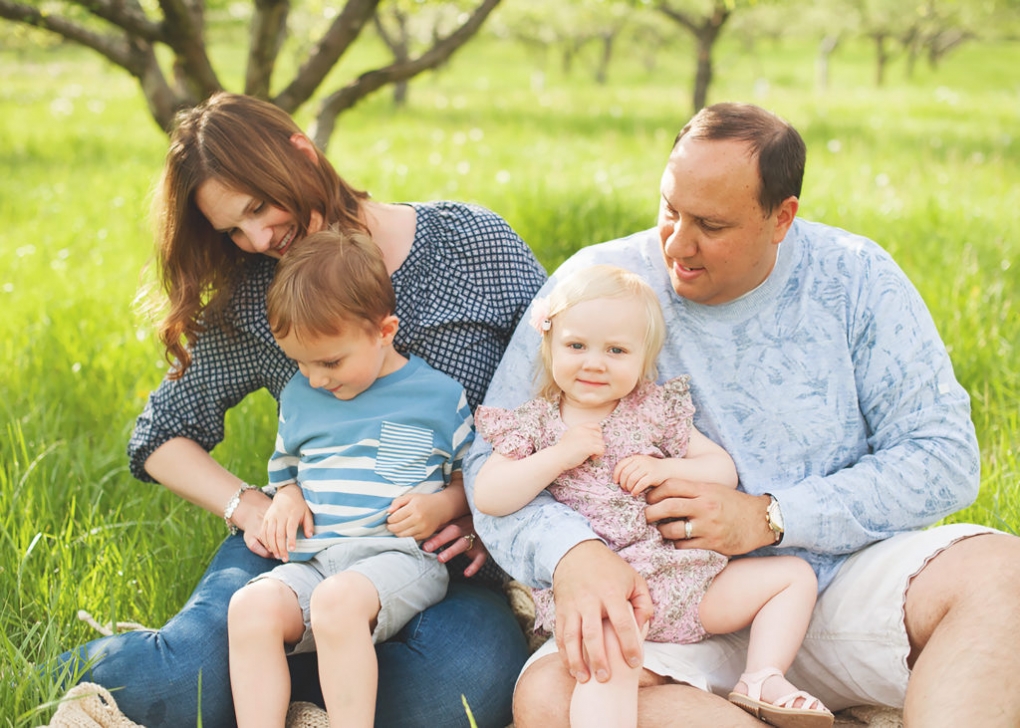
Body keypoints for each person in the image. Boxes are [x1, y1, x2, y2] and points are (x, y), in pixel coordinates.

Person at [464, 101, 1020, 728]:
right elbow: (492, 462)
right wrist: (572, 553)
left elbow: (943, 457)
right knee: (552, 699)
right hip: (658, 598)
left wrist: (772, 516)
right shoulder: (598, 287)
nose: (677, 242)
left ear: (781, 218)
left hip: (835, 581)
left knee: (1004, 575)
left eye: (711, 224)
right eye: (669, 209)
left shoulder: (857, 277)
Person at [55, 91, 545, 728]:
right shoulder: (260, 294)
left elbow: (565, 379)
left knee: (455, 691)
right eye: (233, 228)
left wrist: (482, 508)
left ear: (301, 152)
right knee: (181, 683)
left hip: (438, 559)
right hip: (307, 548)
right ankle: (252, 676)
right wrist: (250, 505)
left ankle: (286, 687)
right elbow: (158, 437)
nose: (258, 238)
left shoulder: (470, 245)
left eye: (259, 207)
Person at [472, 264, 831, 728]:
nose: (594, 362)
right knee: (610, 663)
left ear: (644, 360)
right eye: (576, 345)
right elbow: (490, 495)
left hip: (690, 585)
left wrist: (666, 467)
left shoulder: (655, 410)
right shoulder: (537, 424)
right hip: (608, 594)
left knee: (791, 577)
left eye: (616, 350)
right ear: (548, 344)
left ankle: (762, 677)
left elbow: (721, 469)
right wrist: (558, 456)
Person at [228, 229, 476, 726]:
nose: (316, 378)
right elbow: (287, 472)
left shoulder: (436, 396)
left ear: (384, 332)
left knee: (337, 603)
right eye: (300, 362)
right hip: (320, 560)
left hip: (400, 557)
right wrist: (289, 496)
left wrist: (444, 507)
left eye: (331, 361)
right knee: (248, 606)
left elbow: (473, 479)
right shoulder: (301, 396)